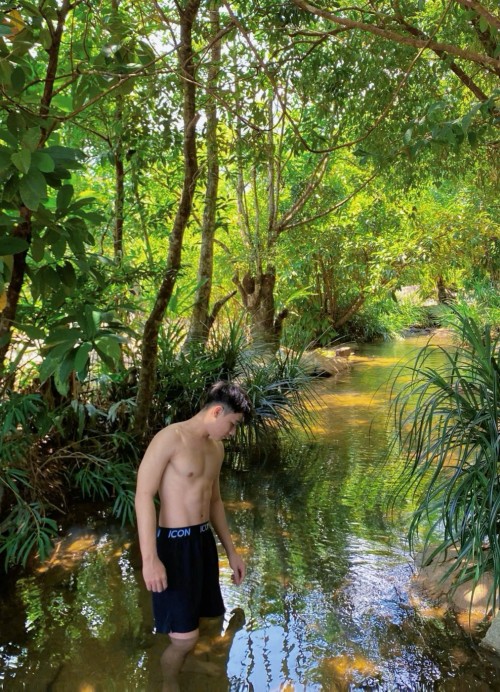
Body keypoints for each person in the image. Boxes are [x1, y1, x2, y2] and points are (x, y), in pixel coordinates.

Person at [135, 381, 252, 690]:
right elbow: (143, 495)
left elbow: (215, 502)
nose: (232, 432)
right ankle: (168, 682)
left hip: (202, 542)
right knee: (184, 639)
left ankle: (194, 667)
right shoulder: (170, 439)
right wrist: (150, 559)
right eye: (232, 424)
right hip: (173, 546)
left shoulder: (217, 449)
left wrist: (231, 552)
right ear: (217, 412)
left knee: (208, 618)